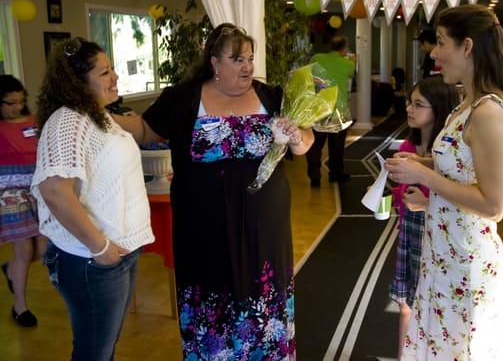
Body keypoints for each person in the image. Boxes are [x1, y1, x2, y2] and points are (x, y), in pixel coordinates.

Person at [111, 23, 312, 359]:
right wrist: (99, 116)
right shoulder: (184, 97)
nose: (247, 66)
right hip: (202, 225)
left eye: (250, 58)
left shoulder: (270, 96)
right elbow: (145, 130)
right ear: (215, 63)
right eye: (237, 59)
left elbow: (305, 144)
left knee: (263, 289)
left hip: (265, 225)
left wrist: (296, 135)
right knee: (210, 292)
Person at [385, 4, 503, 360]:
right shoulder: (467, 105)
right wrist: (421, 163)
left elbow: (493, 205)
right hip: (444, 255)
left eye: (441, 43)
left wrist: (424, 175)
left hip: (466, 263)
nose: (434, 52)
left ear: (467, 46)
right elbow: (463, 165)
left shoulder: (489, 112)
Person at [31, 38, 154, 360]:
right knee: (94, 353)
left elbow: (140, 133)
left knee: (103, 348)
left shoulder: (97, 116)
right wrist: (100, 248)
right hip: (91, 258)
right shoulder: (68, 121)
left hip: (116, 252)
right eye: (104, 73)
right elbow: (54, 190)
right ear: (78, 81)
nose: (115, 78)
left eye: (112, 69)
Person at [388, 77, 460, 360]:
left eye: (418, 104)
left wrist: (426, 204)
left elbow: (457, 205)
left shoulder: (450, 157)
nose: (409, 108)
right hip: (409, 231)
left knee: (434, 304)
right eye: (409, 102)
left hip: (438, 234)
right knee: (406, 303)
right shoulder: (407, 147)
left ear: (439, 108)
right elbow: (404, 198)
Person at [0, 75, 47, 327]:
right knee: (24, 248)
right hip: (8, 194)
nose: (16, 107)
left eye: (20, 102)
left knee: (44, 243)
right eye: (10, 103)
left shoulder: (34, 121)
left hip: (37, 189)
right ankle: (20, 306)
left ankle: (10, 269)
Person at [305, 35, 355, 187]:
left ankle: (315, 176)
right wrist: (350, 59)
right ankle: (335, 174)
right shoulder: (348, 64)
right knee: (337, 146)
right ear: (344, 48)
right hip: (338, 110)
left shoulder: (316, 58)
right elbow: (350, 75)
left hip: (319, 108)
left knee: (315, 145)